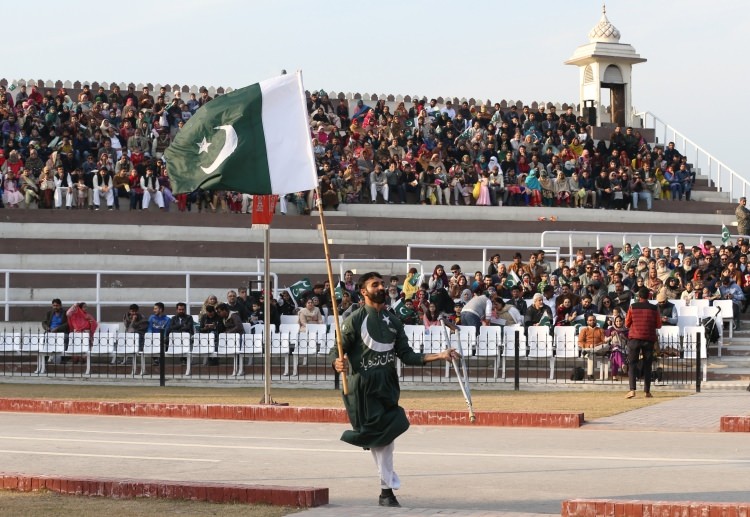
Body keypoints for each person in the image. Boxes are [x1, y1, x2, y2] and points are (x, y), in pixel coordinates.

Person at [330, 272, 458, 508]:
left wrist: (440, 355)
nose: (381, 287)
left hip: (389, 385)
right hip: (363, 389)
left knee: (386, 437)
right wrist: (337, 363)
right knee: (383, 441)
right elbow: (337, 350)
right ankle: (387, 491)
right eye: (374, 284)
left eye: (382, 284)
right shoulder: (354, 320)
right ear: (363, 292)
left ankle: (386, 490)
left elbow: (407, 356)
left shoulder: (395, 321)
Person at [624, 287, 662, 399]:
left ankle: (632, 390)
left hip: (635, 338)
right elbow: (658, 325)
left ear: (639, 296)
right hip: (649, 339)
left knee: (632, 364)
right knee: (647, 365)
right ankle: (647, 392)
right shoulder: (654, 308)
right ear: (649, 296)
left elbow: (627, 323)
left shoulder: (632, 307)